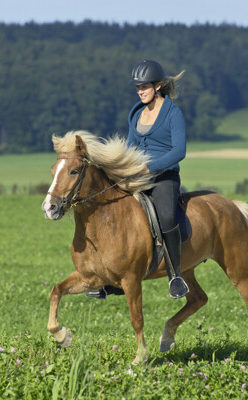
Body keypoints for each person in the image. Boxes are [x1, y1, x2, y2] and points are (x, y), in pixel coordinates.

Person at [87, 60, 189, 300]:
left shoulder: (173, 114)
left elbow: (179, 151)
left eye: (144, 87)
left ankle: (175, 275)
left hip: (164, 177)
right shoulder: (135, 113)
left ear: (158, 86)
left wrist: (148, 167)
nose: (140, 91)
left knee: (166, 216)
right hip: (136, 175)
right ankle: (111, 277)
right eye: (137, 88)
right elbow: (131, 146)